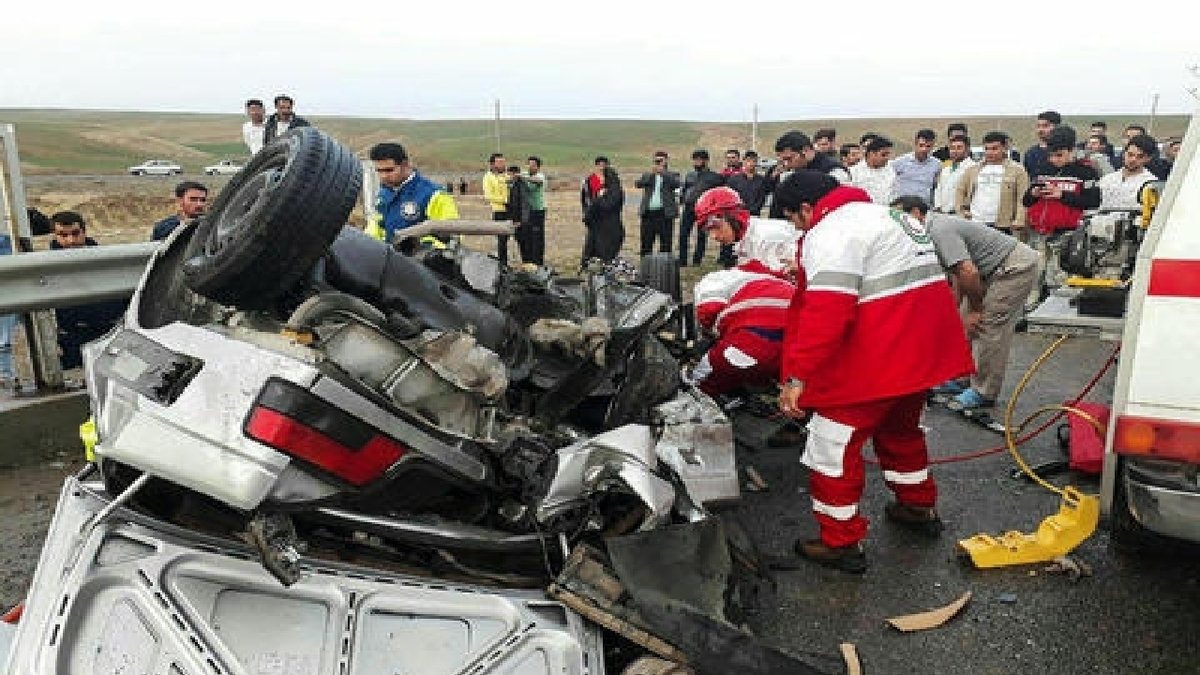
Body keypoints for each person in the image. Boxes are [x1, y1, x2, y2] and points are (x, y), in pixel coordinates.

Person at [774, 171, 973, 573]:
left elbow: (827, 312)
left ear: (808, 208)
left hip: (874, 361)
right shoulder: (891, 217)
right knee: (901, 433)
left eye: (795, 219)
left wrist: (798, 376)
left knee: (831, 446)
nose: (799, 228)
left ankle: (840, 541)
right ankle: (916, 507)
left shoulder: (831, 231)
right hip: (917, 358)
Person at [892, 196, 1039, 414]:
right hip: (986, 270)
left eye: (900, 216)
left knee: (988, 326)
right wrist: (957, 310)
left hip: (1014, 267)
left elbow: (968, 271)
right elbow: (959, 273)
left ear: (916, 213)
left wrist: (977, 310)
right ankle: (962, 377)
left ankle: (984, 392)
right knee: (963, 323)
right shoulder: (927, 231)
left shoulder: (939, 230)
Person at [687, 267, 795, 398]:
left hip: (755, 340)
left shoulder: (715, 279)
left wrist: (711, 333)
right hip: (803, 344)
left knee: (702, 379)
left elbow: (709, 310)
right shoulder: (781, 283)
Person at [1022, 126, 1101, 305]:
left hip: (1067, 234)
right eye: (1051, 155)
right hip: (1039, 233)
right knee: (1034, 275)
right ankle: (1030, 311)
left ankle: (1056, 311)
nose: (1054, 160)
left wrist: (1062, 195)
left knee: (1057, 277)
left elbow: (1093, 201)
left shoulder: (1086, 170)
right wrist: (1033, 193)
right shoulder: (1044, 168)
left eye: (1059, 155)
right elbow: (1026, 201)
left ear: (1072, 150)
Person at [49, 212, 127, 370]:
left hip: (109, 330)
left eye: (75, 234)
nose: (70, 240)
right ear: (54, 235)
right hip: (73, 335)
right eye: (63, 235)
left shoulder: (105, 258)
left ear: (84, 232)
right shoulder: (47, 264)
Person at [364, 142, 459, 247]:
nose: (383, 176)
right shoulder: (384, 194)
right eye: (379, 171)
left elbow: (452, 236)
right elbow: (376, 227)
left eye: (389, 170)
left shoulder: (434, 194)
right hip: (389, 259)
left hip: (421, 261)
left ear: (405, 164)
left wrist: (421, 250)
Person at [693, 186, 799, 276]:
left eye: (716, 227)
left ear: (733, 217)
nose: (713, 236)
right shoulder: (745, 237)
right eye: (708, 230)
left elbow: (778, 284)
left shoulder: (767, 238)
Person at [956, 131, 1029, 236]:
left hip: (1002, 224)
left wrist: (1019, 219)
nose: (989, 152)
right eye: (986, 149)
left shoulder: (1017, 170)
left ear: (1005, 148)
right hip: (975, 221)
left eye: (994, 148)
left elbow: (1023, 197)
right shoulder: (973, 169)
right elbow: (960, 191)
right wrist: (961, 211)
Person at [678, 150, 725, 266]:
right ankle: (682, 260)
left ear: (706, 161)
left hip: (704, 210)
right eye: (695, 159)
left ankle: (697, 261)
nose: (697, 162)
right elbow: (685, 189)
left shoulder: (715, 177)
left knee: (701, 236)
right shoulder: (690, 175)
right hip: (688, 208)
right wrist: (683, 199)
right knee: (683, 234)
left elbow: (719, 194)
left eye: (699, 159)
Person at [634, 150, 682, 256]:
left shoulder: (673, 174)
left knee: (665, 243)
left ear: (666, 161)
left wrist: (663, 173)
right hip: (648, 213)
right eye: (656, 160)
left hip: (664, 214)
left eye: (661, 160)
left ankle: (664, 268)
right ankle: (645, 266)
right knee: (646, 242)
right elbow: (638, 184)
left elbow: (677, 184)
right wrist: (652, 174)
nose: (658, 162)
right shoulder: (648, 174)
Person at [1097, 134, 1159, 211]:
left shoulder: (1151, 183)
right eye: (1130, 154)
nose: (1133, 159)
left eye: (1140, 156)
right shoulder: (1107, 179)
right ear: (1124, 153)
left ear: (1148, 158)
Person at [580, 165, 625, 266]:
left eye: (602, 176)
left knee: (604, 261)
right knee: (594, 260)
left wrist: (599, 197)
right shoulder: (608, 190)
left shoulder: (615, 191)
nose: (600, 179)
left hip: (608, 231)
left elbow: (606, 206)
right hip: (600, 229)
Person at [891, 128, 941, 202]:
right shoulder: (900, 162)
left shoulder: (936, 164)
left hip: (924, 207)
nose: (924, 149)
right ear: (915, 144)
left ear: (933, 146)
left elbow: (937, 187)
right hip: (902, 206)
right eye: (921, 145)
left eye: (928, 146)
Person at [932, 135, 976, 213]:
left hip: (961, 214)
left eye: (959, 148)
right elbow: (939, 189)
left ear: (967, 149)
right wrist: (938, 206)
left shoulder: (973, 168)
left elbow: (972, 194)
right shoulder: (946, 169)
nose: (954, 151)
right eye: (952, 148)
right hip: (943, 213)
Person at [848, 135, 896, 205]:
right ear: (871, 154)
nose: (887, 158)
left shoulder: (891, 170)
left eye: (888, 154)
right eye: (883, 155)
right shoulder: (853, 173)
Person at [484, 153, 512, 262]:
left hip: (512, 211)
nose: (503, 164)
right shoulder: (488, 178)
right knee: (502, 240)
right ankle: (502, 264)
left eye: (504, 162)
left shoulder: (507, 176)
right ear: (492, 164)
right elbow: (489, 196)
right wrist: (505, 200)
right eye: (499, 162)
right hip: (499, 212)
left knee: (519, 237)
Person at [522, 156, 548, 265]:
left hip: (538, 211)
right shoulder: (524, 174)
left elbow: (537, 181)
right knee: (527, 236)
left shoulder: (540, 176)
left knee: (537, 237)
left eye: (533, 165)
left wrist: (522, 177)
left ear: (538, 167)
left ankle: (538, 262)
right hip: (526, 212)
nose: (530, 167)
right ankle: (528, 262)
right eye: (529, 164)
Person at [1023, 110, 1061, 179]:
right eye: (1038, 126)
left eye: (1045, 126)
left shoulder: (1064, 152)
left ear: (1057, 127)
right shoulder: (1030, 153)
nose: (1040, 130)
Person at [505, 165, 532, 261]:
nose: (508, 176)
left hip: (521, 221)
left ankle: (528, 264)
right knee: (520, 242)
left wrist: (522, 221)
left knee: (525, 243)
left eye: (509, 174)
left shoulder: (522, 185)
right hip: (516, 219)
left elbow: (525, 204)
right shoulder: (513, 184)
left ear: (514, 174)